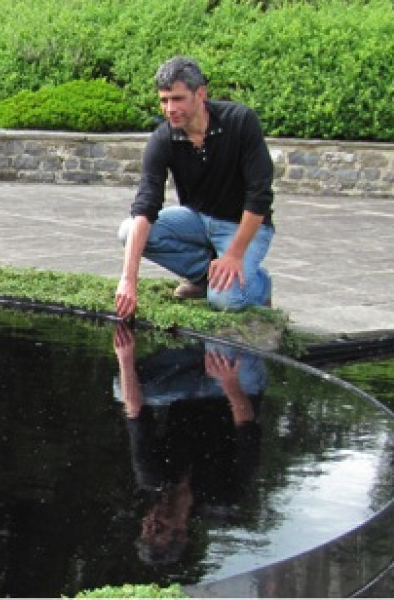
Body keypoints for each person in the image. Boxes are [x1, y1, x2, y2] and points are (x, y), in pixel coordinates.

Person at [115, 57, 275, 318]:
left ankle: (260, 283)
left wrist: (234, 254)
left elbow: (260, 196)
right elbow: (146, 205)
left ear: (200, 93)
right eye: (164, 100)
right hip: (197, 219)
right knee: (128, 230)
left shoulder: (241, 121)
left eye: (177, 99)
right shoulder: (163, 138)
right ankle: (204, 276)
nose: (169, 109)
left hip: (244, 224)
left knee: (225, 300)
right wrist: (128, 280)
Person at [112, 323, 265, 566]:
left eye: (148, 524)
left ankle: (197, 347)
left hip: (187, 390)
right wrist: (229, 383)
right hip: (234, 391)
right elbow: (247, 425)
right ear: (180, 532)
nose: (153, 518)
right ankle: (208, 347)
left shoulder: (152, 476)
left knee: (122, 388)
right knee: (225, 330)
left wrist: (125, 358)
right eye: (159, 527)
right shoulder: (223, 495)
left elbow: (135, 412)